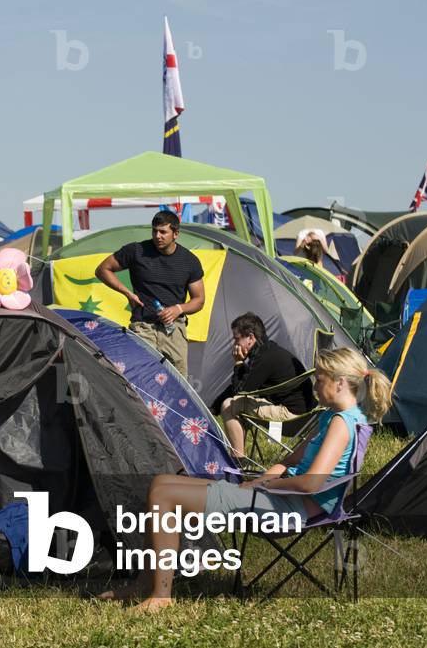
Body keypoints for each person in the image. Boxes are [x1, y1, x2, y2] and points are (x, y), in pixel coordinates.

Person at [100, 347, 391, 610]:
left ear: (340, 383)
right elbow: (292, 460)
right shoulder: (336, 417)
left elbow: (311, 483)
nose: (314, 385)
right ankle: (144, 584)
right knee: (161, 483)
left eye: (320, 379)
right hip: (280, 498)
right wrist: (262, 479)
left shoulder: (342, 423)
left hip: (289, 510)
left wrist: (269, 485)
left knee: (165, 497)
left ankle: (160, 596)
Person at [95, 211, 205, 378]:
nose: (157, 236)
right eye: (154, 231)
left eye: (163, 232)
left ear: (176, 234)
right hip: (142, 327)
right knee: (140, 380)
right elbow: (103, 269)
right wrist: (126, 293)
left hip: (173, 330)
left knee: (179, 382)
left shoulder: (190, 261)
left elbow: (199, 300)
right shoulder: (136, 251)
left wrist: (178, 309)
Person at [213, 313, 314, 461]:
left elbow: (239, 390)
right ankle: (238, 456)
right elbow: (243, 386)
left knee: (229, 405)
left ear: (251, 338)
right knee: (237, 402)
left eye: (237, 339)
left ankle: (237, 460)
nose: (234, 344)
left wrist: (238, 363)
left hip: (293, 418)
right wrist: (213, 408)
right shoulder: (267, 351)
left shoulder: (264, 358)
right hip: (306, 414)